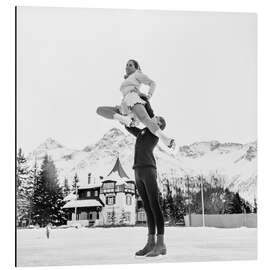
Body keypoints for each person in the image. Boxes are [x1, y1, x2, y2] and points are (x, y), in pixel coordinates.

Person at [96, 59, 175, 149]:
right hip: (125, 105)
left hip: (132, 98)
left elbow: (152, 83)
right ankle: (125, 119)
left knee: (145, 119)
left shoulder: (137, 74)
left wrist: (148, 95)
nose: (127, 67)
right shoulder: (128, 78)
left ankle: (165, 139)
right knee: (99, 110)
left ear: (136, 68)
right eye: (126, 65)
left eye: (130, 65)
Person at [124, 99, 167, 257]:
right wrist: (125, 116)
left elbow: (149, 113)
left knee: (154, 205)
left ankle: (161, 244)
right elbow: (129, 127)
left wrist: (144, 100)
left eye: (157, 119)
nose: (154, 119)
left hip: (149, 169)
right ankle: (150, 243)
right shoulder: (142, 133)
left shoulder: (155, 132)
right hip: (137, 171)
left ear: (159, 125)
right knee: (147, 208)